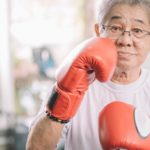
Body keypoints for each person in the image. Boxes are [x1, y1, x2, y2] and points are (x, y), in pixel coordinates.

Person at [26, 0, 150, 149]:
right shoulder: (75, 81)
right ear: (98, 31)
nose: (125, 40)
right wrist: (65, 96)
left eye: (138, 31)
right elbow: (36, 147)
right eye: (116, 28)